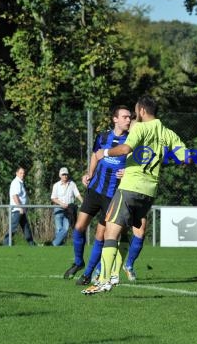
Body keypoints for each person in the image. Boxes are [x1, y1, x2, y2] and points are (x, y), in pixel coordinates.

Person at [82, 95, 187, 294]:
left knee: (110, 233)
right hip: (149, 192)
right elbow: (186, 157)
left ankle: (103, 279)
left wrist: (103, 153)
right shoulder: (167, 132)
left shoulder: (139, 128)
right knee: (124, 233)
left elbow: (124, 149)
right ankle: (114, 274)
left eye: (135, 111)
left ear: (141, 111)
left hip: (130, 187)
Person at [63, 105, 142, 285]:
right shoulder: (103, 136)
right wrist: (89, 174)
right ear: (115, 119)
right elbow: (95, 155)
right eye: (124, 117)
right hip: (95, 190)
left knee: (101, 235)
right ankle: (78, 261)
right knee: (79, 227)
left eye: (130, 117)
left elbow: (138, 164)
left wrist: (128, 173)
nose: (128, 120)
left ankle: (87, 274)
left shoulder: (132, 140)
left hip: (113, 196)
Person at [48, 167, 83, 246]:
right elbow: (53, 198)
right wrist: (61, 204)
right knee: (59, 229)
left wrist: (83, 202)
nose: (65, 176)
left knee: (66, 228)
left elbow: (77, 194)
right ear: (60, 175)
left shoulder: (72, 184)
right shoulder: (56, 185)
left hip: (69, 209)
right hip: (58, 208)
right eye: (63, 174)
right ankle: (59, 246)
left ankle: (54, 244)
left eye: (66, 174)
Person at [3, 167, 36, 246]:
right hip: (17, 209)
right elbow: (15, 196)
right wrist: (20, 207)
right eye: (21, 173)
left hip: (21, 209)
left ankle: (31, 244)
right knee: (13, 227)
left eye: (23, 173)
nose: (23, 174)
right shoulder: (16, 182)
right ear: (16, 173)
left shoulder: (20, 182)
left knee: (26, 227)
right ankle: (6, 243)